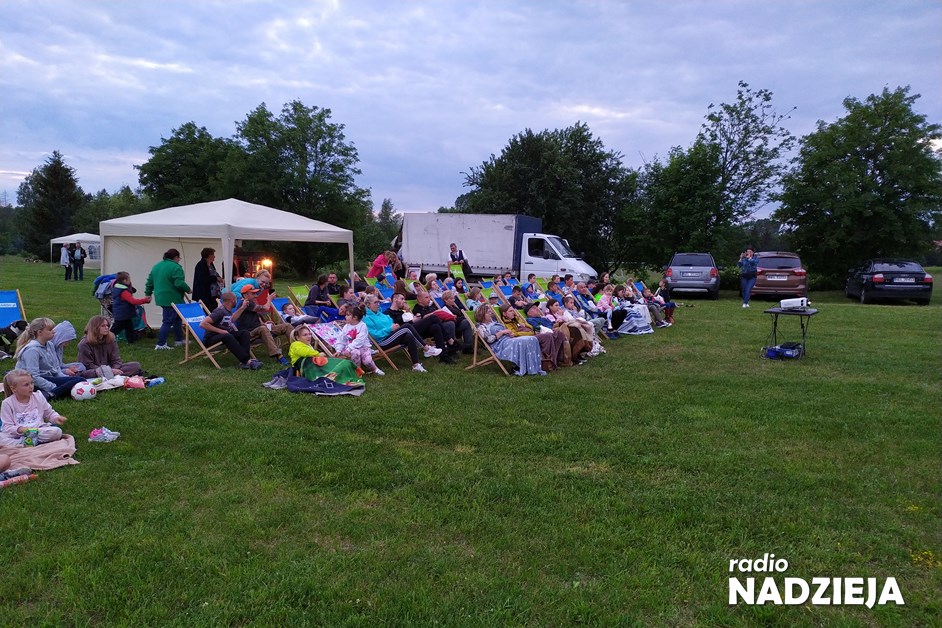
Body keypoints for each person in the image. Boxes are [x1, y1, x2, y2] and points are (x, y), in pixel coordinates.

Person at [13, 318, 85, 400]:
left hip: (46, 378)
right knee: (78, 382)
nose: (54, 332)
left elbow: (56, 368)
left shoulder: (50, 345)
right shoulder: (32, 350)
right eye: (50, 330)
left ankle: (56, 392)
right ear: (40, 332)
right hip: (30, 382)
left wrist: (64, 378)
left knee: (80, 380)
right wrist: (53, 386)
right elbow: (33, 377)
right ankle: (50, 395)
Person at [363, 294, 436, 372]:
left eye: (378, 302)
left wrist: (395, 326)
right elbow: (374, 335)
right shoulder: (366, 318)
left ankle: (416, 365)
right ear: (368, 305)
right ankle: (426, 348)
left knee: (409, 336)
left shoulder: (380, 314)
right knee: (407, 326)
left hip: (391, 336)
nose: (378, 304)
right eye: (375, 302)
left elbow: (391, 322)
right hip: (382, 342)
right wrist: (390, 329)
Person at [473, 303, 545, 376]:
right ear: (482, 315)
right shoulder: (481, 326)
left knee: (532, 339)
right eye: (488, 312)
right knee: (525, 341)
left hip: (509, 339)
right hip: (500, 345)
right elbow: (488, 340)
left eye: (490, 311)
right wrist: (502, 332)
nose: (491, 313)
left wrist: (508, 333)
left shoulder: (493, 322)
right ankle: (524, 368)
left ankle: (532, 368)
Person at [1, 369, 67, 448]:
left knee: (56, 432)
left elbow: (49, 413)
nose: (31, 386)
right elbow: (7, 427)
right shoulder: (7, 403)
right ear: (13, 388)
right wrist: (20, 429)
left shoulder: (39, 396)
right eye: (26, 385)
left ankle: (25, 443)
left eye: (32, 383)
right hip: (17, 434)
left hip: (38, 430)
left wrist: (56, 417)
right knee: (1, 438)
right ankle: (25, 442)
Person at [199, 292, 262, 370]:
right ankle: (246, 361)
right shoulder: (220, 311)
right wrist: (220, 331)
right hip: (211, 338)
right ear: (232, 300)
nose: (236, 301)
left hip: (224, 336)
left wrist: (243, 307)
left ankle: (245, 362)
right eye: (236, 299)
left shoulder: (227, 310)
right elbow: (203, 324)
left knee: (244, 333)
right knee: (227, 336)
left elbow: (232, 319)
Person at [498, 303, 569, 370]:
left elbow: (530, 327)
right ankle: (547, 361)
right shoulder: (506, 323)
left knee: (558, 334)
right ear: (504, 313)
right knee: (547, 336)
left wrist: (525, 325)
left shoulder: (516, 319)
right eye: (510, 311)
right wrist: (526, 331)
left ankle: (558, 360)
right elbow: (514, 334)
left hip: (531, 334)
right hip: (524, 338)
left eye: (513, 311)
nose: (513, 312)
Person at [386, 293, 453, 363]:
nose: (404, 301)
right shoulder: (388, 313)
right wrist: (412, 321)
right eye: (402, 299)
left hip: (415, 331)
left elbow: (411, 320)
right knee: (433, 317)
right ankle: (450, 340)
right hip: (406, 334)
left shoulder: (402, 311)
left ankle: (444, 356)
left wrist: (412, 315)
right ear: (395, 299)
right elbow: (397, 328)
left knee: (436, 327)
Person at [145, 248, 191, 350]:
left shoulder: (156, 266)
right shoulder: (176, 267)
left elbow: (149, 282)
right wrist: (188, 289)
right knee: (168, 321)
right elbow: (179, 283)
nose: (179, 260)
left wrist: (148, 293)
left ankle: (179, 339)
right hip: (173, 298)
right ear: (176, 257)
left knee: (178, 318)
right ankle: (161, 344)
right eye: (179, 258)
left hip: (161, 297)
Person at [234, 285, 291, 365]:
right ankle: (278, 355)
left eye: (256, 293)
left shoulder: (251, 303)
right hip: (248, 333)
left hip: (259, 328)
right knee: (263, 329)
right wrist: (269, 299)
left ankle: (297, 349)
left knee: (287, 326)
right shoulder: (245, 303)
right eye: (253, 294)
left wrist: (264, 323)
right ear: (245, 295)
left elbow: (254, 317)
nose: (256, 296)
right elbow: (266, 308)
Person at [76, 316, 143, 377]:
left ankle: (111, 375)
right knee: (85, 373)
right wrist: (108, 371)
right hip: (94, 370)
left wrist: (114, 369)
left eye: (107, 325)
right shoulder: (84, 344)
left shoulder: (111, 339)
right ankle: (112, 376)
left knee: (135, 365)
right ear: (95, 328)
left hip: (111, 368)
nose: (107, 328)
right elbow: (88, 365)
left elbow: (116, 359)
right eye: (103, 326)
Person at [335, 304, 383, 376]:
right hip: (353, 349)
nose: (345, 316)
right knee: (355, 353)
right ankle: (358, 370)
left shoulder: (362, 326)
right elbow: (341, 339)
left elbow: (359, 340)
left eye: (348, 315)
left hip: (363, 347)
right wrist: (338, 350)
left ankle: (374, 369)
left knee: (367, 361)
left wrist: (349, 349)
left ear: (355, 317)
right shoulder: (346, 327)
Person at [110, 271, 151, 344]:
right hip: (122, 314)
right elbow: (133, 301)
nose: (130, 280)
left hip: (124, 313)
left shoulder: (117, 288)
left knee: (129, 327)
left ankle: (131, 341)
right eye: (129, 279)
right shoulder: (124, 291)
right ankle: (104, 339)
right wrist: (145, 300)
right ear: (124, 281)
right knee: (116, 328)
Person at [192, 247, 224, 312]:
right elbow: (204, 279)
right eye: (213, 255)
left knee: (214, 308)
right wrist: (216, 278)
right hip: (206, 293)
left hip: (214, 293)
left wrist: (219, 278)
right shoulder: (201, 265)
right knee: (208, 309)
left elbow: (214, 273)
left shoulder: (211, 265)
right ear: (209, 255)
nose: (214, 256)